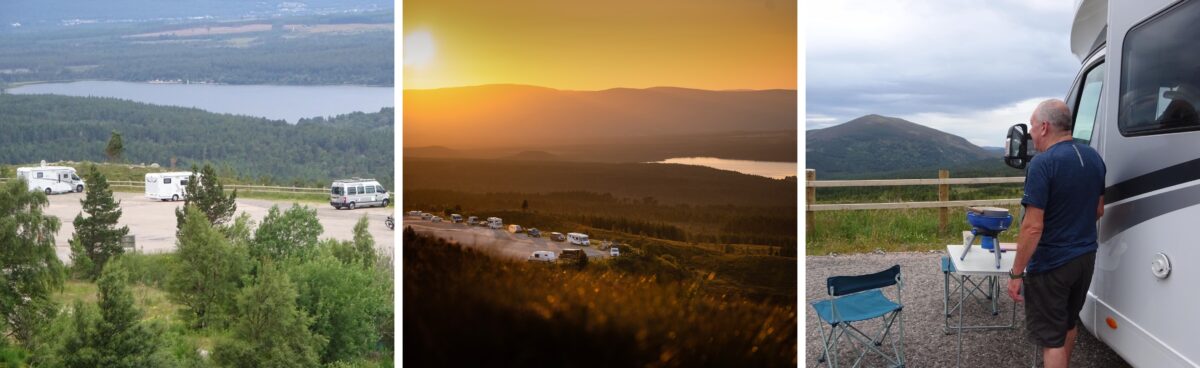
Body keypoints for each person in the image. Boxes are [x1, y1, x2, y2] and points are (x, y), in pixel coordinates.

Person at [1007, 99, 1106, 368]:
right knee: (1068, 324)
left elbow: (1032, 226)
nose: (1029, 132)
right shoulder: (1094, 157)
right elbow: (1099, 209)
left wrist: (1016, 273)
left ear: (1045, 127)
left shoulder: (1043, 163)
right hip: (1085, 258)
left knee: (1052, 340)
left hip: (1052, 264)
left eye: (1032, 125)